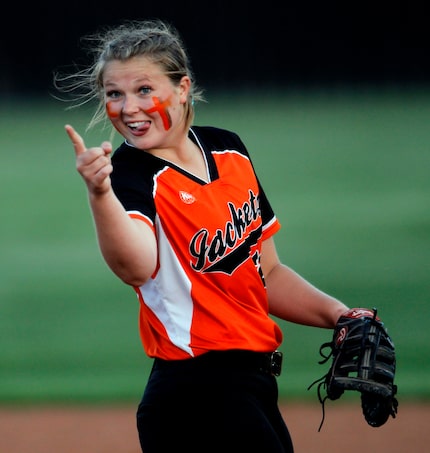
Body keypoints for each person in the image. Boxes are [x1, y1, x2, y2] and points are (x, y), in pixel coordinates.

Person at [56, 19, 349, 453]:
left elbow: (266, 271)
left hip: (252, 386)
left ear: (182, 87)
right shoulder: (131, 178)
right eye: (114, 93)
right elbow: (135, 266)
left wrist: (340, 316)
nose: (129, 107)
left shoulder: (228, 149)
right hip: (195, 394)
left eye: (144, 89)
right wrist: (99, 192)